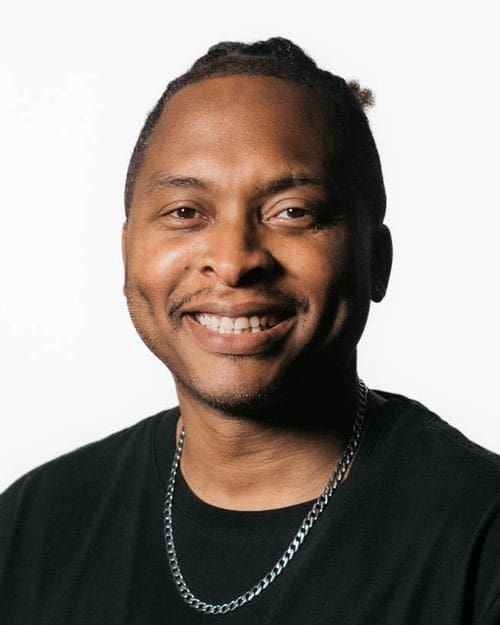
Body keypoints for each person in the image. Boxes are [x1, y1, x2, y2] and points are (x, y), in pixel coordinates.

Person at [1, 37, 499, 625]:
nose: (234, 261)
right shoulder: (32, 525)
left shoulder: (480, 540)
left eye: (293, 211)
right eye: (185, 212)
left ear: (376, 260)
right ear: (127, 250)